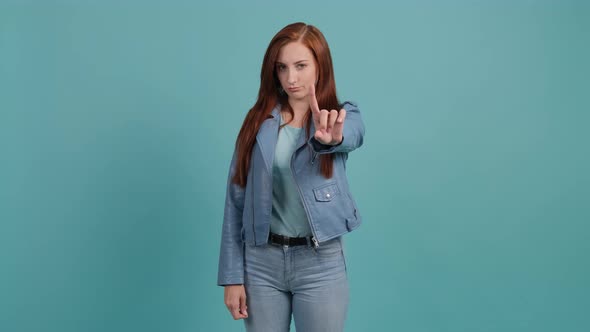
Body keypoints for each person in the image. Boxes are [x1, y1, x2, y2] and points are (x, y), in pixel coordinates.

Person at [217, 22, 365, 332]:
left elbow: (352, 133)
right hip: (261, 264)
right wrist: (232, 276)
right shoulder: (258, 122)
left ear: (319, 66)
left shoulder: (340, 116)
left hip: (320, 262)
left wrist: (330, 139)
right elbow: (236, 200)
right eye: (282, 68)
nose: (291, 78)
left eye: (301, 66)